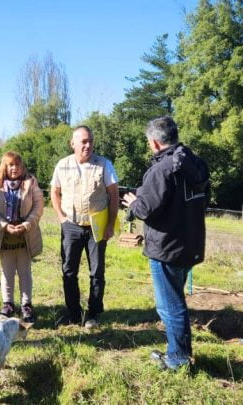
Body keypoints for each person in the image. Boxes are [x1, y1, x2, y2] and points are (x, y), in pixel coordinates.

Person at [122, 116, 209, 371]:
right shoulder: (197, 163)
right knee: (176, 300)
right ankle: (178, 353)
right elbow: (201, 200)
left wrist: (133, 202)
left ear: (154, 142)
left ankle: (178, 360)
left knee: (170, 306)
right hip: (190, 242)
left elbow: (146, 209)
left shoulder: (161, 169)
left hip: (167, 247)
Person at [50, 125, 119, 329]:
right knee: (69, 270)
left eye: (90, 141)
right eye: (83, 142)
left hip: (96, 226)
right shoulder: (62, 165)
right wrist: (61, 217)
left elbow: (114, 195)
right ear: (73, 144)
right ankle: (73, 312)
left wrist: (110, 224)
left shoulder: (104, 165)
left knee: (96, 271)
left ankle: (94, 313)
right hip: (70, 225)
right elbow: (54, 191)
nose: (88, 145)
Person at [0, 151, 44, 323]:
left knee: (25, 271)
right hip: (4, 235)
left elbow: (38, 205)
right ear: (5, 167)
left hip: (26, 235)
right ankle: (8, 304)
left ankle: (26, 305)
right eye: (11, 165)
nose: (14, 168)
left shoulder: (30, 182)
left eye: (17, 165)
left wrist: (27, 224)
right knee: (7, 272)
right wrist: (3, 224)